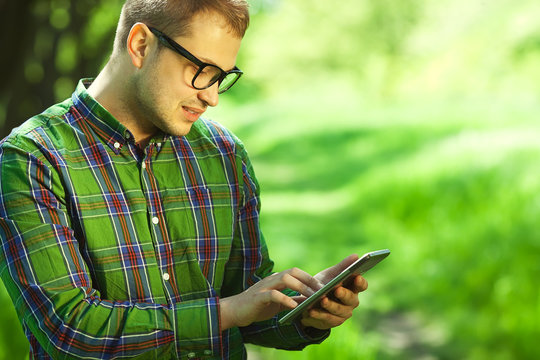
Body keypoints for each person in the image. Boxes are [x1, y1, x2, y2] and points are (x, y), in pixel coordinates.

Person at [0, 0, 368, 358]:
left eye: (221, 77)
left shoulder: (224, 154)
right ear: (140, 45)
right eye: (200, 69)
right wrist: (228, 311)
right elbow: (69, 331)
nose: (211, 97)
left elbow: (247, 306)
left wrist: (301, 310)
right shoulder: (31, 159)